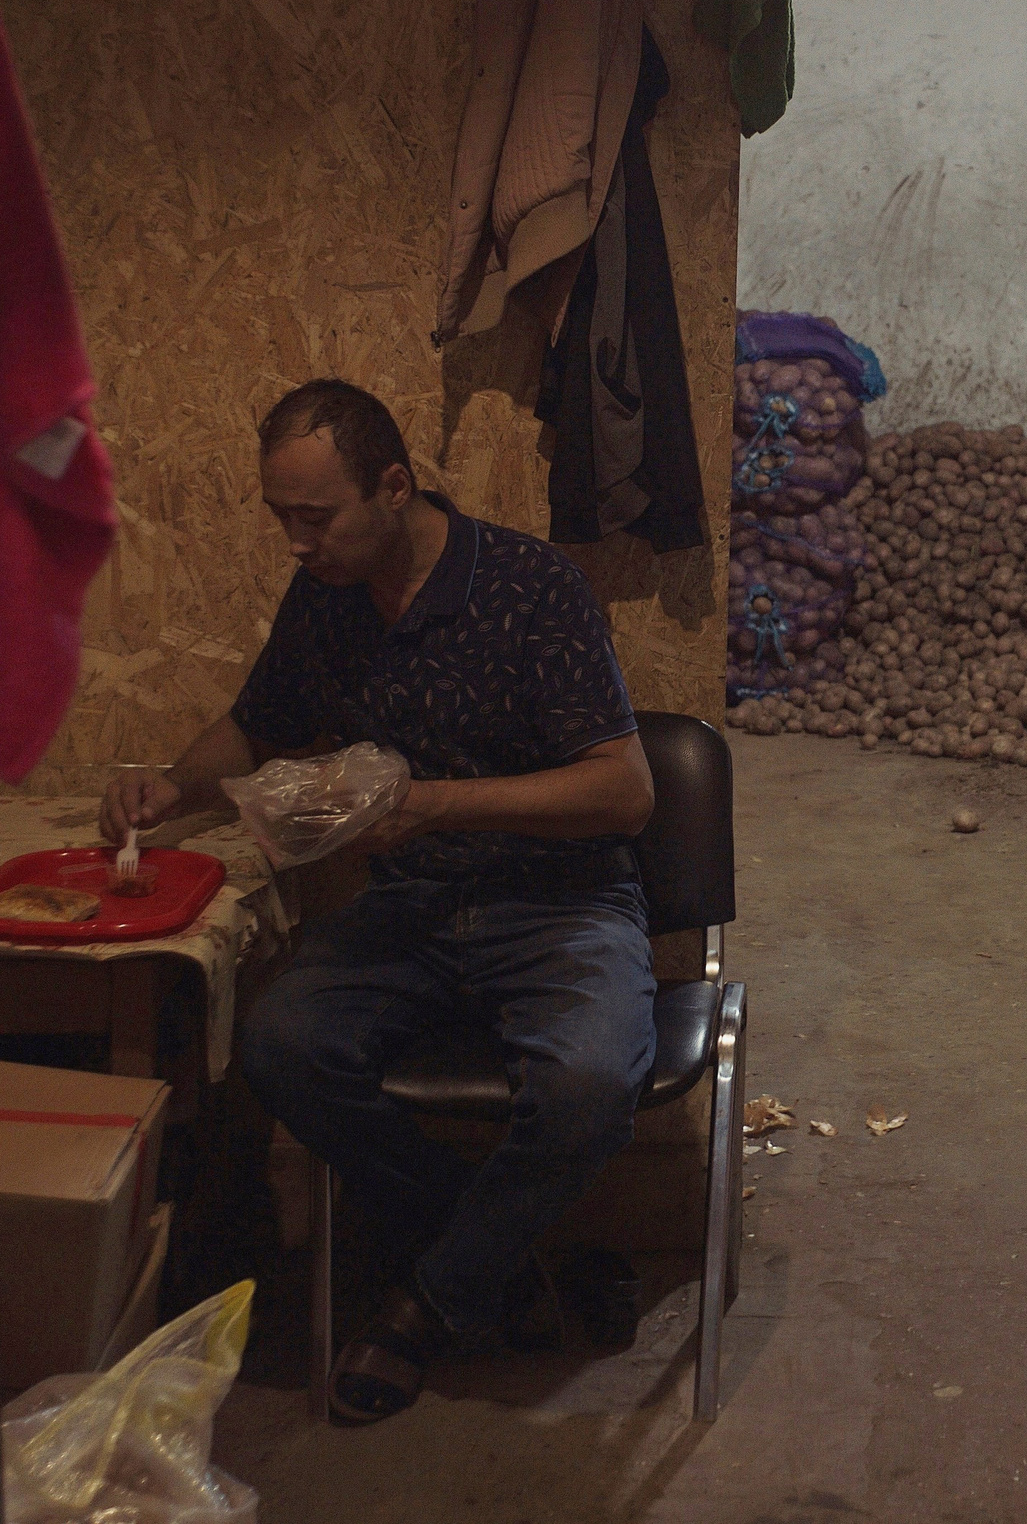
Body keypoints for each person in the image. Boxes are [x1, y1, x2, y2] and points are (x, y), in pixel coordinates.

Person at [99, 379, 658, 1423]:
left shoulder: (530, 588)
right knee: (280, 1047)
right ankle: (498, 1257)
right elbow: (259, 726)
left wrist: (435, 802)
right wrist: (169, 787)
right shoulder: (325, 602)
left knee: (587, 1085)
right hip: (412, 913)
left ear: (393, 488)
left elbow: (625, 792)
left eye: (316, 519)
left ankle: (425, 1306)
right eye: (281, 520)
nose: (297, 545)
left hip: (557, 905)